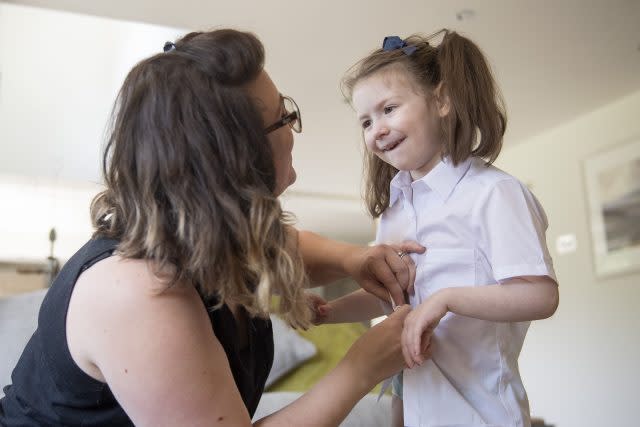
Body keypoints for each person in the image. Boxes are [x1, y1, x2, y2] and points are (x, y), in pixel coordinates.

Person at [0, 29, 429, 426]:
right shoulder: (137, 293)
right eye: (284, 117)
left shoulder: (197, 230)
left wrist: (353, 258)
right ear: (235, 154)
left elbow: (285, 247)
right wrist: (360, 368)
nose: (294, 131)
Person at [314, 30, 559, 427]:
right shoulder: (394, 210)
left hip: (482, 416)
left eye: (389, 108)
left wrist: (445, 299)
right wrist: (328, 312)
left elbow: (541, 296)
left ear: (441, 100)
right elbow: (391, 295)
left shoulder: (494, 193)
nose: (376, 130)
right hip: (413, 410)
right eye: (365, 120)